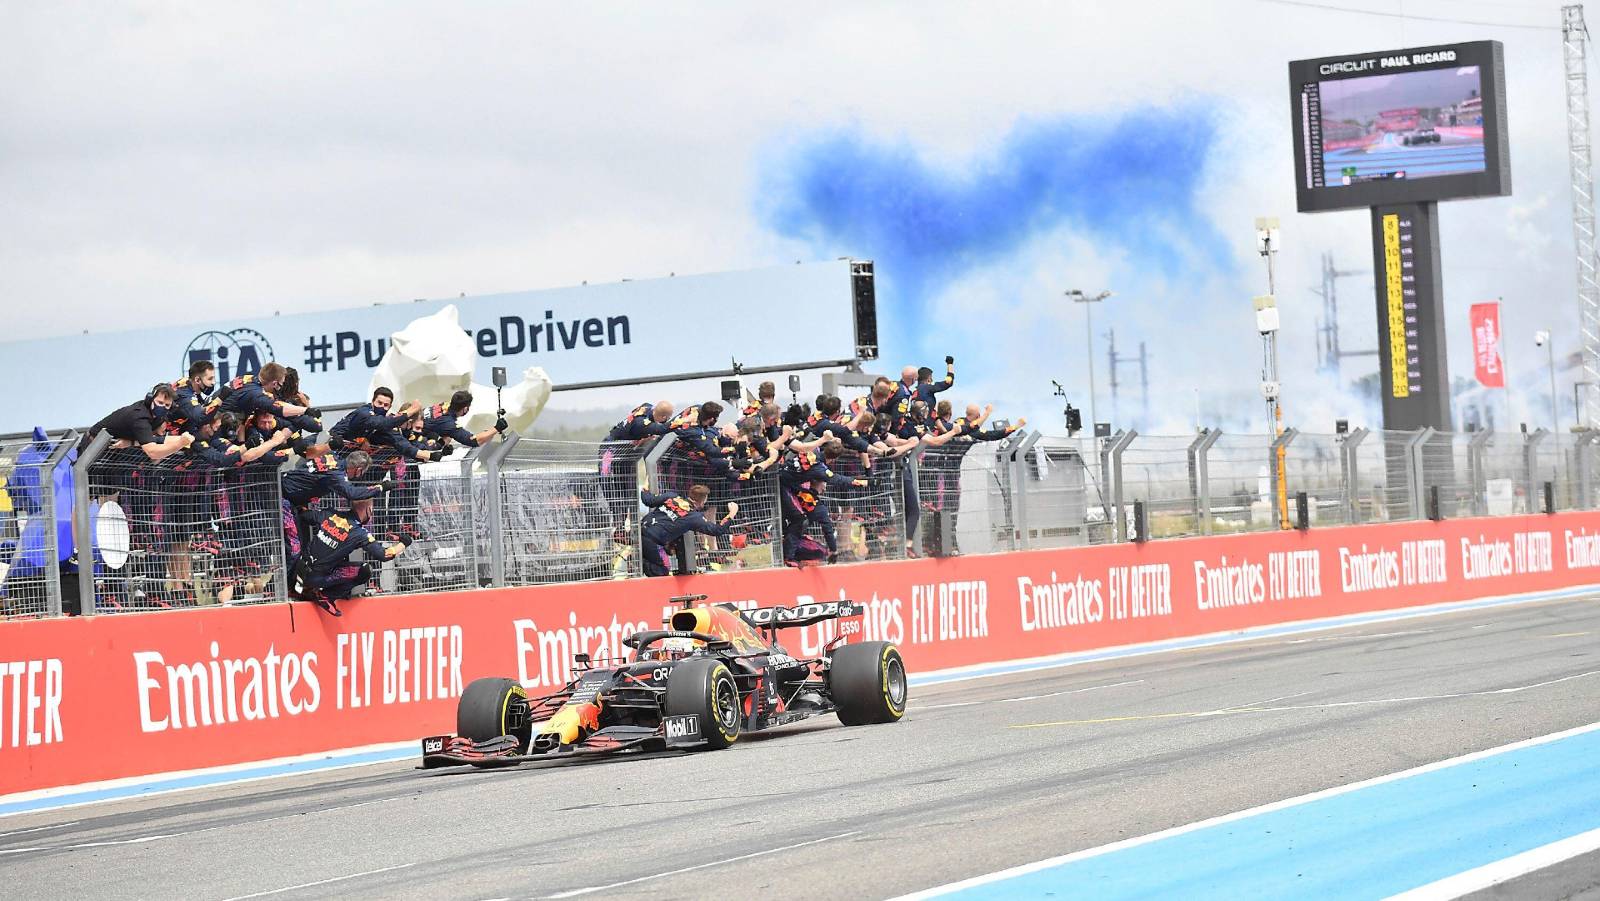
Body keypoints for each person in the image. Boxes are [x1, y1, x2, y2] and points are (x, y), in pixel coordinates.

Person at [292, 498, 408, 615]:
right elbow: (385, 555)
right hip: (316, 579)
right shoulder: (359, 533)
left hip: (298, 570)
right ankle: (326, 595)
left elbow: (304, 515)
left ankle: (307, 589)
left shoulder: (330, 514)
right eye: (372, 509)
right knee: (364, 570)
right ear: (367, 510)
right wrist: (404, 543)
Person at [280, 449, 389, 563]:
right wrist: (380, 488)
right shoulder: (337, 475)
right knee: (294, 550)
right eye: (362, 473)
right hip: (284, 498)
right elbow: (351, 493)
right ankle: (282, 578)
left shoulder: (332, 455)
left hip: (286, 486)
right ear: (358, 470)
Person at [638, 484, 738, 576]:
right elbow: (717, 530)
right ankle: (640, 563)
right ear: (702, 502)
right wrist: (732, 514)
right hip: (653, 541)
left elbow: (648, 500)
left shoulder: (672, 496)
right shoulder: (694, 517)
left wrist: (645, 487)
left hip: (640, 530)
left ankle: (640, 560)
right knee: (663, 570)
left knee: (659, 560)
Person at [80, 384, 193, 461]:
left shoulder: (158, 417)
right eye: (160, 402)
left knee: (111, 490)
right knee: (95, 489)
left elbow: (154, 439)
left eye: (167, 405)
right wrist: (180, 443)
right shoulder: (140, 417)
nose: (162, 407)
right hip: (93, 446)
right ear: (150, 399)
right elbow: (153, 452)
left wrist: (183, 439)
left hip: (112, 448)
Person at [421, 390, 507, 449]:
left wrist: (440, 444)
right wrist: (496, 428)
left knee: (447, 438)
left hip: (412, 438)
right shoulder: (448, 423)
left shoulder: (442, 406)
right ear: (465, 409)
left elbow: (432, 425)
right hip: (410, 449)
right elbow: (473, 441)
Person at [606, 401, 674, 442]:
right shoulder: (642, 423)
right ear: (663, 417)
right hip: (612, 447)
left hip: (626, 449)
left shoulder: (647, 407)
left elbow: (635, 411)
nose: (667, 420)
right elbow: (661, 429)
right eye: (668, 418)